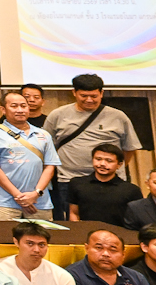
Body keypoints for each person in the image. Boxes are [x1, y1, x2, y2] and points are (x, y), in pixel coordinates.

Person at [43, 74, 141, 221]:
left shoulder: (118, 116)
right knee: (75, 221)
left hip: (110, 180)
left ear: (101, 93)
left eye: (94, 96)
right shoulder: (57, 115)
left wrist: (113, 167)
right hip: (69, 179)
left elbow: (129, 148)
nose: (89, 100)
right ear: (74, 92)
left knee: (114, 219)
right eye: (84, 96)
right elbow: (47, 147)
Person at [0, 90, 56, 222]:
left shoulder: (43, 134)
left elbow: (50, 166)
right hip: (5, 203)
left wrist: (36, 193)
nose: (20, 110)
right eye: (14, 106)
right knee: (4, 235)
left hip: (39, 201)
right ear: (3, 109)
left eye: (23, 106)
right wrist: (19, 196)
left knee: (42, 234)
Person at [67, 146, 143, 226]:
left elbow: (137, 218)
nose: (102, 164)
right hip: (85, 231)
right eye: (98, 159)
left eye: (109, 161)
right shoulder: (77, 183)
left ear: (119, 165)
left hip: (119, 232)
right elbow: (74, 213)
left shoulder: (131, 190)